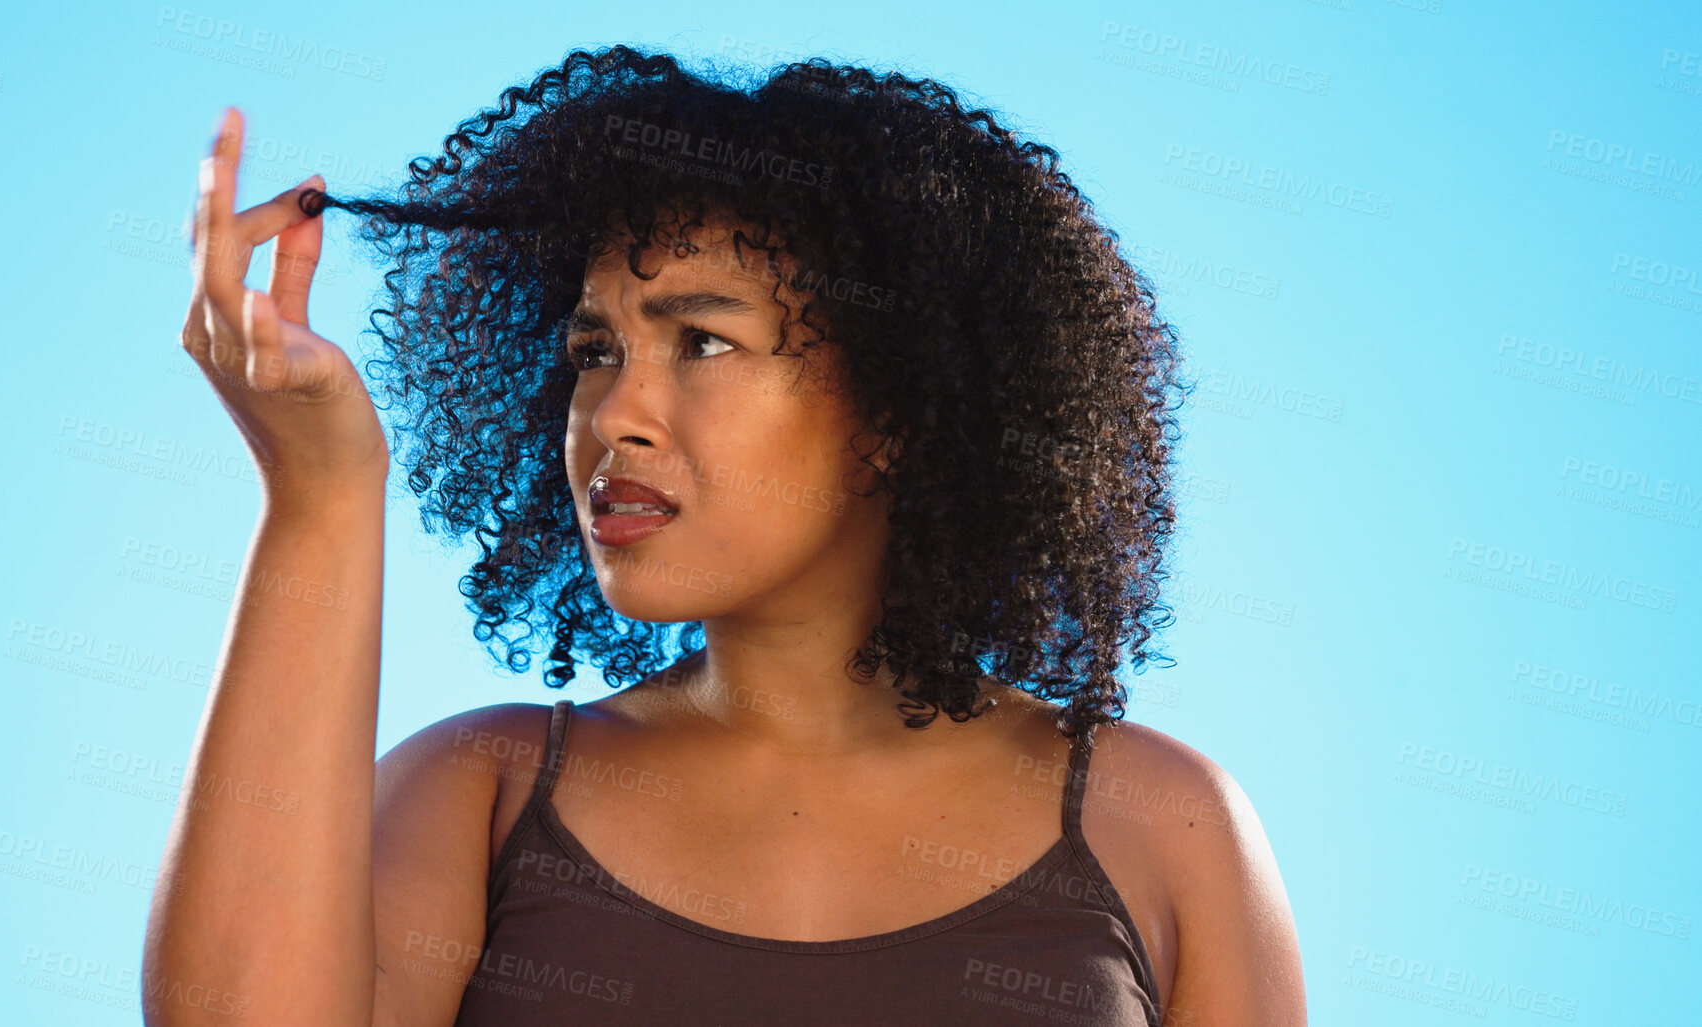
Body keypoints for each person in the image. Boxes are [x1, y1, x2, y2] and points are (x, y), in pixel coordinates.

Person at [143, 44, 1306, 1027]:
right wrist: (320, 489)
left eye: (700, 342)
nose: (613, 416)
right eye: (595, 352)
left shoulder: (1160, 825)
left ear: (897, 408)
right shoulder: (482, 793)